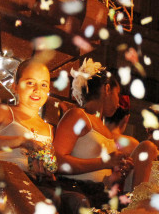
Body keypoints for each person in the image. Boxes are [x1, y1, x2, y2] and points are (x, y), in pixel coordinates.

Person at [53, 58, 132, 206]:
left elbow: (97, 175)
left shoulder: (104, 129)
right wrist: (104, 162)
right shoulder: (77, 116)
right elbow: (57, 161)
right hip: (77, 195)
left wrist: (117, 175)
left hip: (99, 195)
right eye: (117, 94)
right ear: (107, 89)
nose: (118, 102)